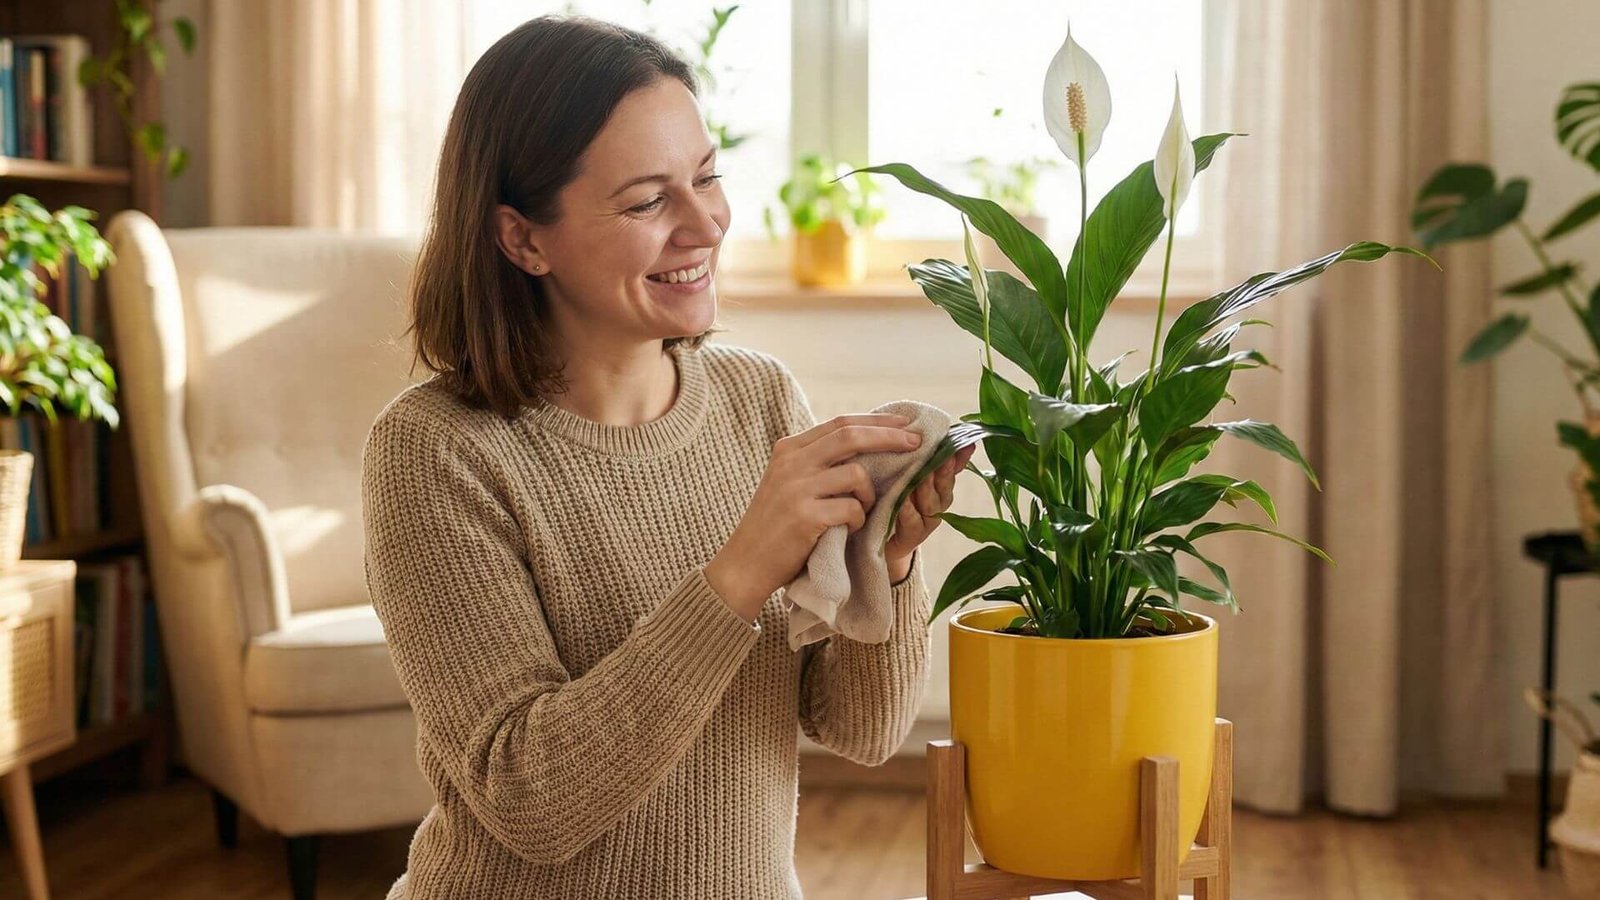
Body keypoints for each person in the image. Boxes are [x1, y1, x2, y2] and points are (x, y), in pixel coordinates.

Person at [361, 14, 976, 899]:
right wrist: (738, 573)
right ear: (521, 239)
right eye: (649, 201)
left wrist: (889, 559)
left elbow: (861, 729)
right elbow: (530, 798)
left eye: (707, 177)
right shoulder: (436, 451)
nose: (706, 226)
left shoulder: (758, 397)